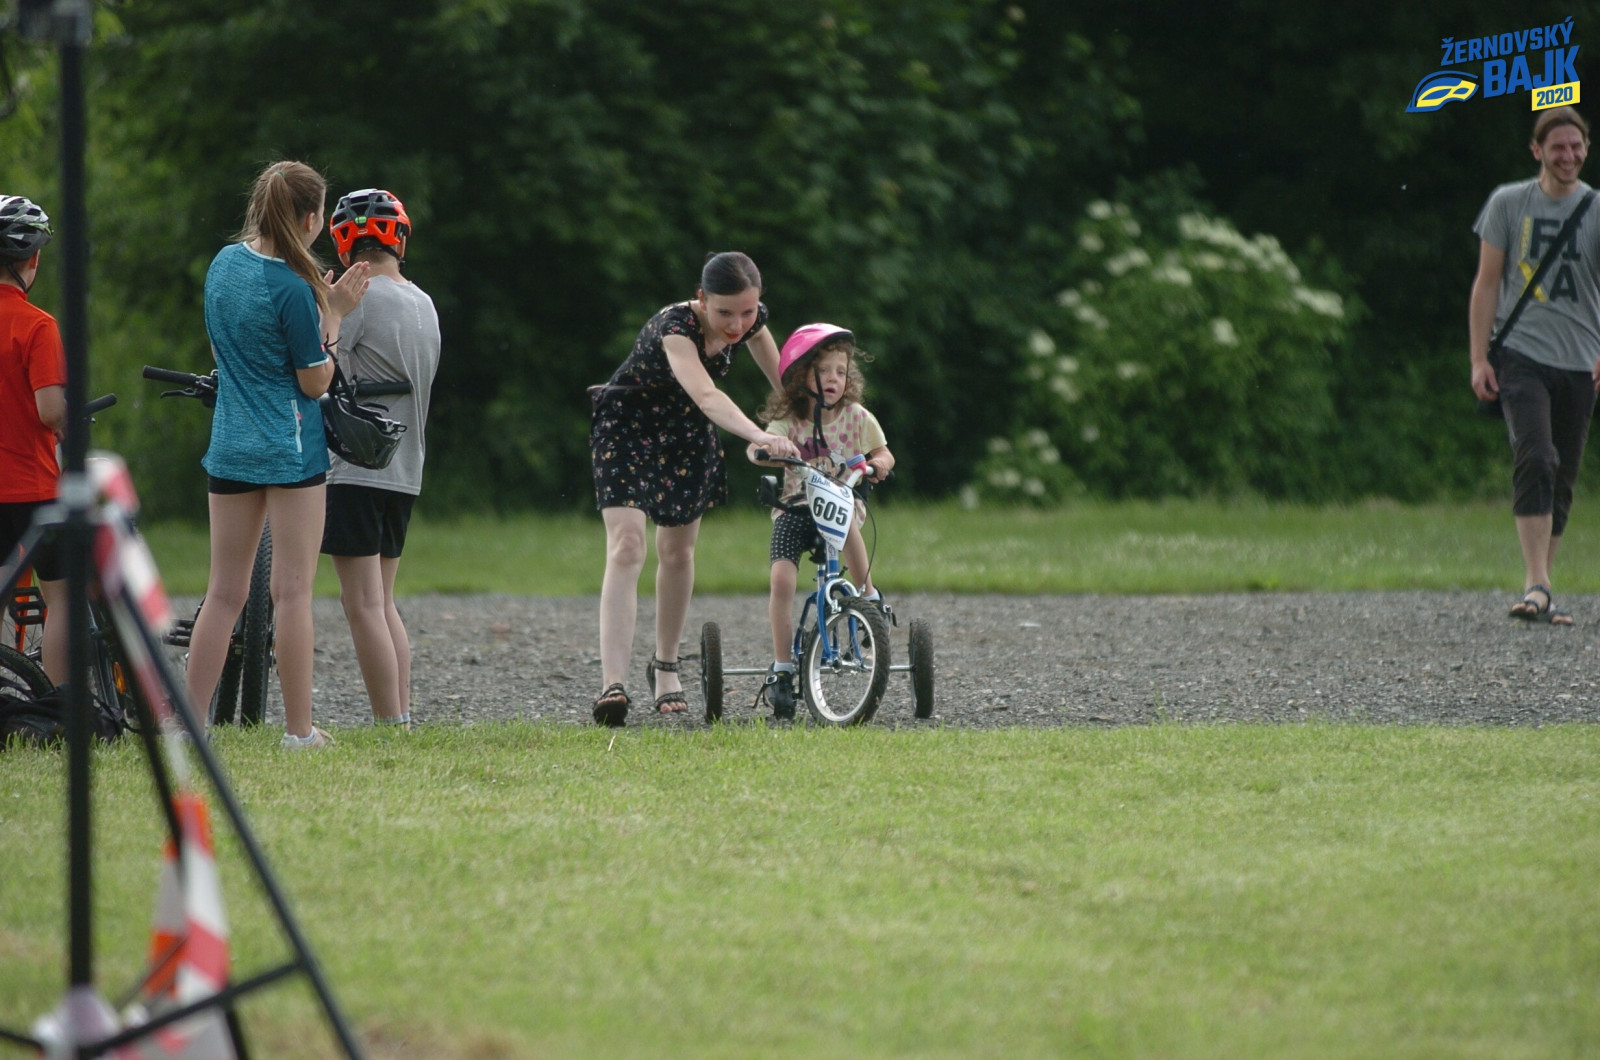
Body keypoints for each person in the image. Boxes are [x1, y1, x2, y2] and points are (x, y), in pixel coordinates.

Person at [185, 161, 370, 748]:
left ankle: (185, 726)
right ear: (311, 219)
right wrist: (333, 315)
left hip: (230, 443)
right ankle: (298, 731)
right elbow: (315, 382)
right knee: (292, 593)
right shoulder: (292, 288)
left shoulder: (224, 265)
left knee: (222, 593)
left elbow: (224, 349)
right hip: (291, 451)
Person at [589, 251, 800, 726]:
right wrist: (760, 435)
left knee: (678, 553)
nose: (737, 325)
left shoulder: (751, 320)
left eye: (747, 312)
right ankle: (612, 685)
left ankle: (665, 667)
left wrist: (807, 416)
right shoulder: (676, 327)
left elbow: (783, 381)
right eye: (724, 312)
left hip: (686, 435)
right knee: (627, 546)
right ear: (702, 299)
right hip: (627, 429)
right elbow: (706, 395)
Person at [1470, 106, 1600, 626]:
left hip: (1580, 361)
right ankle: (1537, 582)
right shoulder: (1508, 203)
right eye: (1558, 147)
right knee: (1537, 456)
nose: (1568, 156)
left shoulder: (1596, 209)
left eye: (1576, 146)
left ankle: (1542, 591)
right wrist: (1478, 358)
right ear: (1537, 150)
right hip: (1521, 355)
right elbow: (1486, 283)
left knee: (1563, 474)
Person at [320, 189, 440, 729]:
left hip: (356, 467)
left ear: (345, 249)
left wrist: (328, 309)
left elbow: (319, 364)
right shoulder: (423, 302)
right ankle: (401, 716)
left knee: (361, 603)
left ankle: (388, 722)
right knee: (383, 601)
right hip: (405, 467)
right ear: (400, 241)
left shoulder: (360, 299)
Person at [747, 324, 895, 719]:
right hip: (795, 509)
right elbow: (756, 447)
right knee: (781, 581)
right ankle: (782, 667)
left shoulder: (856, 417)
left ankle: (868, 598)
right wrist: (769, 447)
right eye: (824, 370)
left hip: (840, 503)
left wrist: (877, 465)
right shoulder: (788, 419)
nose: (834, 378)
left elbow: (883, 452)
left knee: (847, 525)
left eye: (841, 371)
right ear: (801, 375)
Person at [0, 194, 68, 686]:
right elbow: (49, 411)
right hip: (32, 490)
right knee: (62, 599)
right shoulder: (38, 326)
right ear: (32, 260)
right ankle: (61, 703)